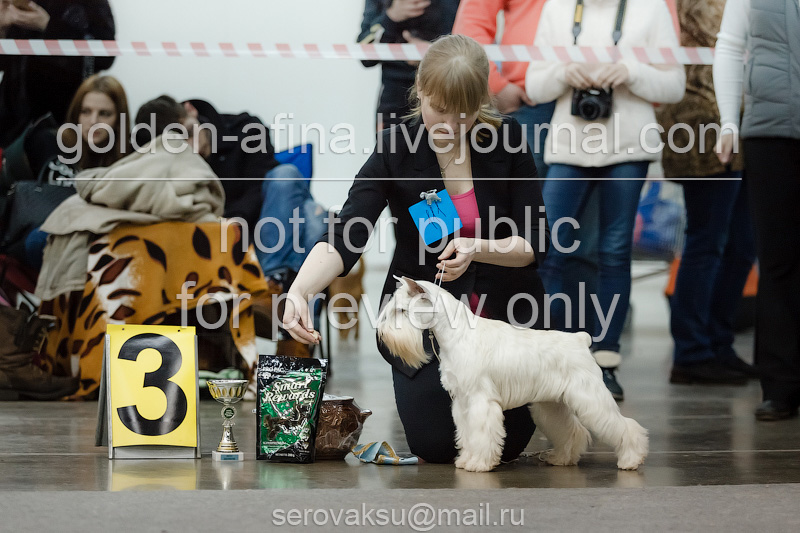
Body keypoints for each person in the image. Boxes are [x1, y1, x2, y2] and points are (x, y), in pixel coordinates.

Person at [282, 35, 550, 463]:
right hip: (422, 327)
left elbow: (534, 242)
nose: (448, 125)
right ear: (420, 90)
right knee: (437, 445)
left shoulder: (508, 140)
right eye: (438, 109)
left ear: (480, 100)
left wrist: (476, 247)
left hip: (506, 320)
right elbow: (348, 231)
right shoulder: (395, 148)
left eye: (463, 113)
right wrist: (300, 291)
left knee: (504, 443)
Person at [526, 0, 686, 401]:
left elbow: (674, 85)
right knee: (547, 250)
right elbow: (534, 85)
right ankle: (541, 358)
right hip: (567, 146)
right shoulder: (557, 9)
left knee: (614, 252)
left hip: (629, 146)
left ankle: (606, 361)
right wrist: (564, 73)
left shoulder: (650, 9)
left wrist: (630, 72)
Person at [657, 0, 757, 386]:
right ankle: (692, 351)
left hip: (745, 122)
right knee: (707, 241)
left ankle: (719, 342)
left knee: (743, 244)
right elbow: (724, 43)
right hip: (700, 124)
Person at [133, 96, 327, 285]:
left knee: (286, 175)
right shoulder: (166, 168)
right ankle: (296, 305)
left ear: (191, 109)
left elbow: (259, 186)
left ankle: (273, 280)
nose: (193, 147)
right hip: (225, 244)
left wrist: (233, 221)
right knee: (314, 219)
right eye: (179, 145)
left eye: (190, 133)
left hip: (265, 228)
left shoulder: (247, 129)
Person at [714, 0, 800, 420]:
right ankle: (780, 386)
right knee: (778, 260)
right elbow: (730, 45)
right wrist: (730, 121)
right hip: (769, 132)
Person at [1, 74, 129, 270]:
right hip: (38, 236)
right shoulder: (48, 143)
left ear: (119, 118)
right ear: (76, 113)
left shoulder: (127, 161)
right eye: (86, 111)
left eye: (104, 113)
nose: (93, 121)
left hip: (92, 241)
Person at [0, 0, 116, 147]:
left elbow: (105, 57)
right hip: (13, 121)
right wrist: (2, 29)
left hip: (66, 120)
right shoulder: (22, 3)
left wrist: (49, 25)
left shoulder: (93, 4)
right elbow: (5, 63)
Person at [358, 0, 460, 130]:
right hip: (395, 102)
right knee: (391, 148)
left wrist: (436, 54)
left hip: (450, 94)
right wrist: (391, 16)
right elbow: (365, 56)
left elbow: (472, 45)